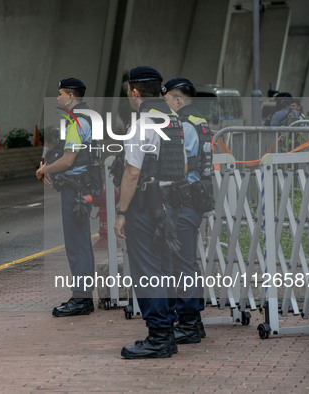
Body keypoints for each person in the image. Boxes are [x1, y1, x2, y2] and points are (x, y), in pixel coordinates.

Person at [113, 66, 185, 359]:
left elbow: (132, 172)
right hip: (170, 207)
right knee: (165, 271)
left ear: (134, 92)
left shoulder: (143, 123)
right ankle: (167, 335)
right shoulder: (173, 120)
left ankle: (157, 338)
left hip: (146, 208)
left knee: (148, 274)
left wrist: (121, 213)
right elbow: (182, 167)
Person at [36, 78, 96, 317]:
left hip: (76, 190)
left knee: (76, 244)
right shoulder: (86, 117)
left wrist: (43, 170)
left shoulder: (77, 121)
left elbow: (69, 160)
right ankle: (84, 297)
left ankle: (81, 299)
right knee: (81, 243)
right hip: (82, 187)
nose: (58, 98)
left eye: (60, 94)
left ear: (70, 96)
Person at [162, 77, 212, 344]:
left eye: (167, 99)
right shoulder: (199, 121)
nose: (164, 103)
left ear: (177, 100)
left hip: (183, 200)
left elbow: (180, 166)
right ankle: (194, 321)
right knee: (186, 262)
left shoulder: (181, 124)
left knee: (182, 264)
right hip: (194, 198)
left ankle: (189, 323)